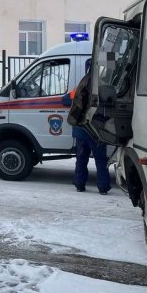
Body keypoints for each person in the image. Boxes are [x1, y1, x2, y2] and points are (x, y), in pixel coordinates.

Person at [63, 63, 111, 195]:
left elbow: (66, 100)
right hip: (97, 130)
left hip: (81, 130)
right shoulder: (105, 86)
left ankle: (79, 185)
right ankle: (103, 187)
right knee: (100, 159)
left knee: (81, 158)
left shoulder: (81, 84)